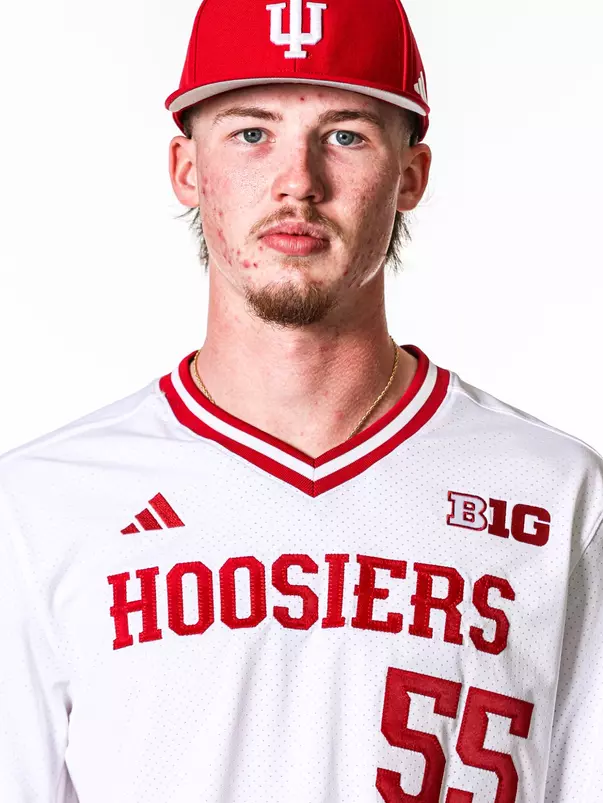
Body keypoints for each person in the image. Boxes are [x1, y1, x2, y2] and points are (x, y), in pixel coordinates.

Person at [1, 0, 602, 800]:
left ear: (410, 176)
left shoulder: (558, 494)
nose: (298, 182)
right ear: (186, 168)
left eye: (345, 134)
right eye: (251, 132)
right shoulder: (41, 504)